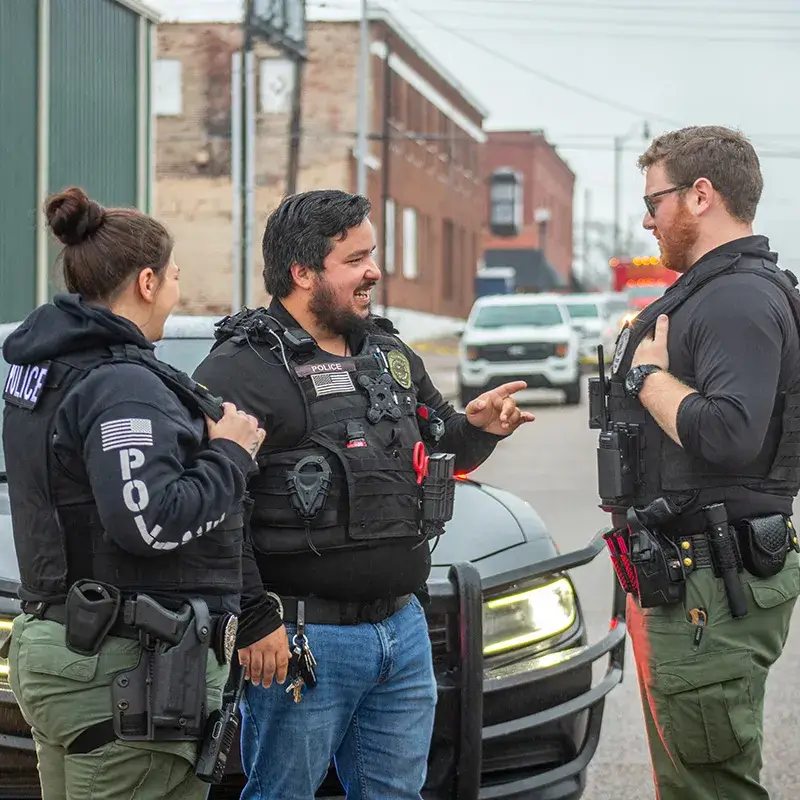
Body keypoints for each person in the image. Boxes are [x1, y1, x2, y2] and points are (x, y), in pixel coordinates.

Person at [192, 188, 534, 799]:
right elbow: (216, 512)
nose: (374, 270)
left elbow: (441, 443)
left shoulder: (388, 353)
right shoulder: (240, 369)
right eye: (355, 259)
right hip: (300, 641)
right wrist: (252, 617)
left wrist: (478, 427)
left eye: (372, 254)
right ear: (302, 273)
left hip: (402, 631)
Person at [1, 187, 265, 800]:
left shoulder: (49, 367)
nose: (178, 288)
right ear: (147, 282)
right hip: (121, 669)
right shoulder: (120, 385)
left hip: (64, 644)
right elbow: (146, 522)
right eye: (174, 275)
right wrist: (231, 453)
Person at [594, 126, 800, 799]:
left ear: (701, 195)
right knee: (689, 781)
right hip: (690, 580)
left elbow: (731, 434)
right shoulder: (715, 292)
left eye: (655, 201)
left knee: (709, 789)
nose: (648, 219)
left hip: (709, 587)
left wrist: (650, 377)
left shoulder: (737, 298)